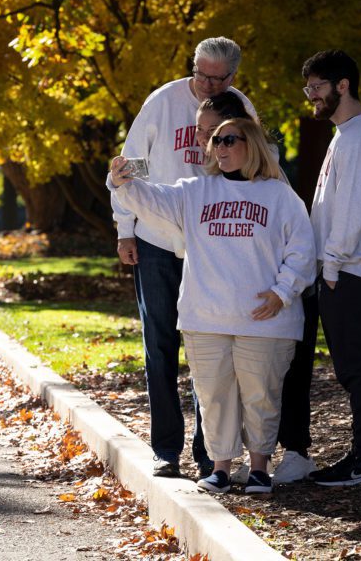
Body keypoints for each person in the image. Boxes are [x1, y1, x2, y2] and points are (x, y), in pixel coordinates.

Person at [108, 118, 316, 494]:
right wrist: (122, 181)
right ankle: (219, 468)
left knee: (260, 396)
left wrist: (282, 293)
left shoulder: (280, 196)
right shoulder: (195, 190)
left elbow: (302, 252)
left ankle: (258, 469)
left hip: (265, 320)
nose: (219, 147)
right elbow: (150, 199)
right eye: (215, 141)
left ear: (250, 144)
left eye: (228, 140)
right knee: (213, 396)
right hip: (205, 317)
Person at [112, 37, 257, 479]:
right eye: (203, 74)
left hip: (212, 245)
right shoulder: (162, 102)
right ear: (192, 65)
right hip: (156, 238)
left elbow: (256, 168)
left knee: (208, 347)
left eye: (219, 78)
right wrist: (125, 229)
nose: (209, 84)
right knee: (160, 345)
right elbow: (129, 167)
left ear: (233, 76)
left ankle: (209, 453)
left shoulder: (237, 105)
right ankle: (166, 450)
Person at [299, 50, 361, 486]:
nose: (311, 97)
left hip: (351, 270)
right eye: (308, 89)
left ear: (342, 85)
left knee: (356, 366)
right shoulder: (347, 133)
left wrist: (333, 266)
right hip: (344, 269)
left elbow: (353, 212)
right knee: (351, 366)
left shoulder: (357, 137)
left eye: (317, 87)